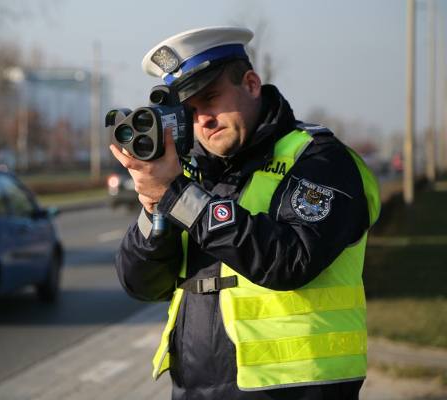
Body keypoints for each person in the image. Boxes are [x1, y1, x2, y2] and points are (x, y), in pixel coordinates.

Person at [109, 26, 381, 400]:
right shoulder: (191, 176)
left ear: (251, 84)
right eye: (189, 111)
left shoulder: (319, 160)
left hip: (294, 390)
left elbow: (289, 260)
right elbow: (140, 284)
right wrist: (155, 207)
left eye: (210, 98)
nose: (202, 119)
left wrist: (175, 194)